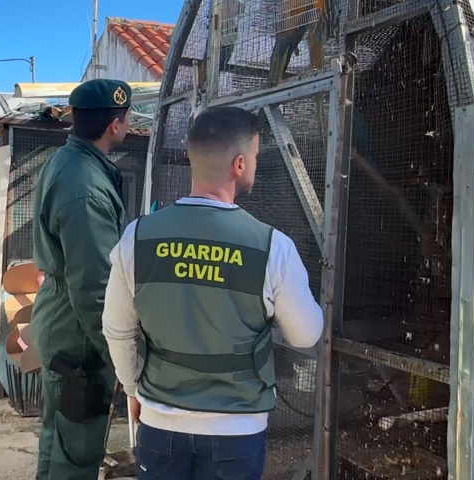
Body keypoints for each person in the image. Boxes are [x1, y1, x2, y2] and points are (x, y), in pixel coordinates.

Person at [102, 106, 324, 479]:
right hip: (237, 432)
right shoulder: (274, 247)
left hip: (161, 422)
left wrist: (132, 389)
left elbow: (117, 329)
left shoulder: (137, 238)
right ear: (239, 164)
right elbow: (306, 335)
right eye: (254, 157)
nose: (254, 165)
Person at [31, 78, 132, 480]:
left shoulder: (69, 159)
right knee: (78, 448)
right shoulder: (86, 187)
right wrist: (121, 358)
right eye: (125, 119)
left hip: (60, 314)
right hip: (77, 328)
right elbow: (93, 288)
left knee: (58, 434)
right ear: (115, 125)